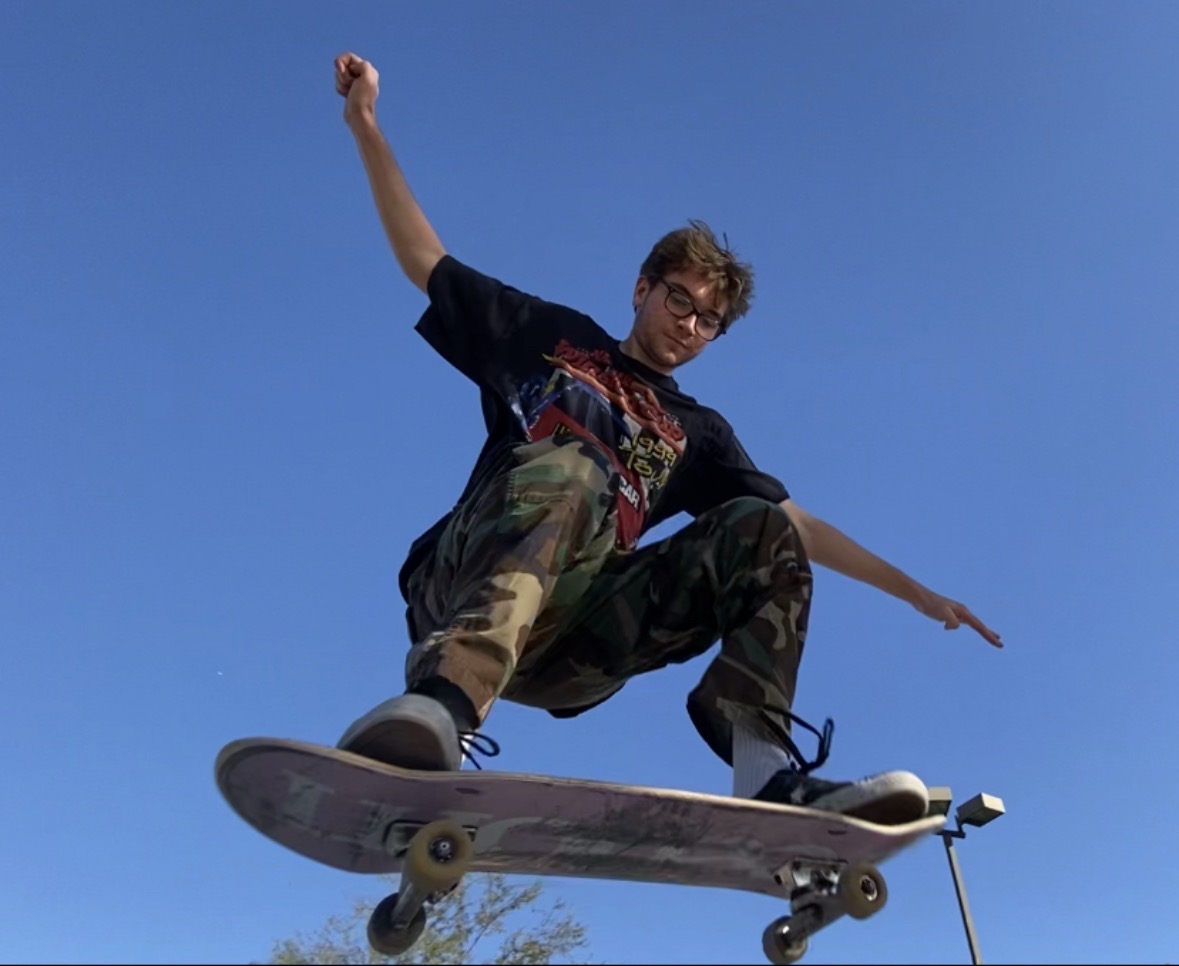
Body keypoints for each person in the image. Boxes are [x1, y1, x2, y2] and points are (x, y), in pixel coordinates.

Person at [330, 51, 1003, 826]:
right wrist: (365, 124)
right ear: (641, 287)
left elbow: (799, 527)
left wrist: (913, 591)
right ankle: (442, 705)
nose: (687, 322)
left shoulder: (697, 433)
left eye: (706, 319)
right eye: (677, 299)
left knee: (761, 529)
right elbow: (425, 259)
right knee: (575, 467)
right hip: (463, 588)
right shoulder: (549, 337)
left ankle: (763, 770)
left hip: (573, 642)